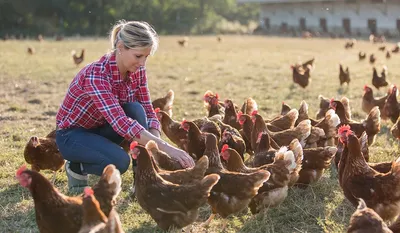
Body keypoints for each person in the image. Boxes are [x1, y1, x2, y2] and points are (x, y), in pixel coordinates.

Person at [55, 20, 195, 192]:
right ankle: (77, 168)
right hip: (72, 136)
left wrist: (155, 147)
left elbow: (148, 111)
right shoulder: (96, 75)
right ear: (120, 47)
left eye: (146, 57)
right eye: (138, 56)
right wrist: (167, 148)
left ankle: (143, 180)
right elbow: (120, 122)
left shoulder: (137, 71)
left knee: (136, 109)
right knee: (119, 162)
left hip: (101, 128)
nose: (142, 63)